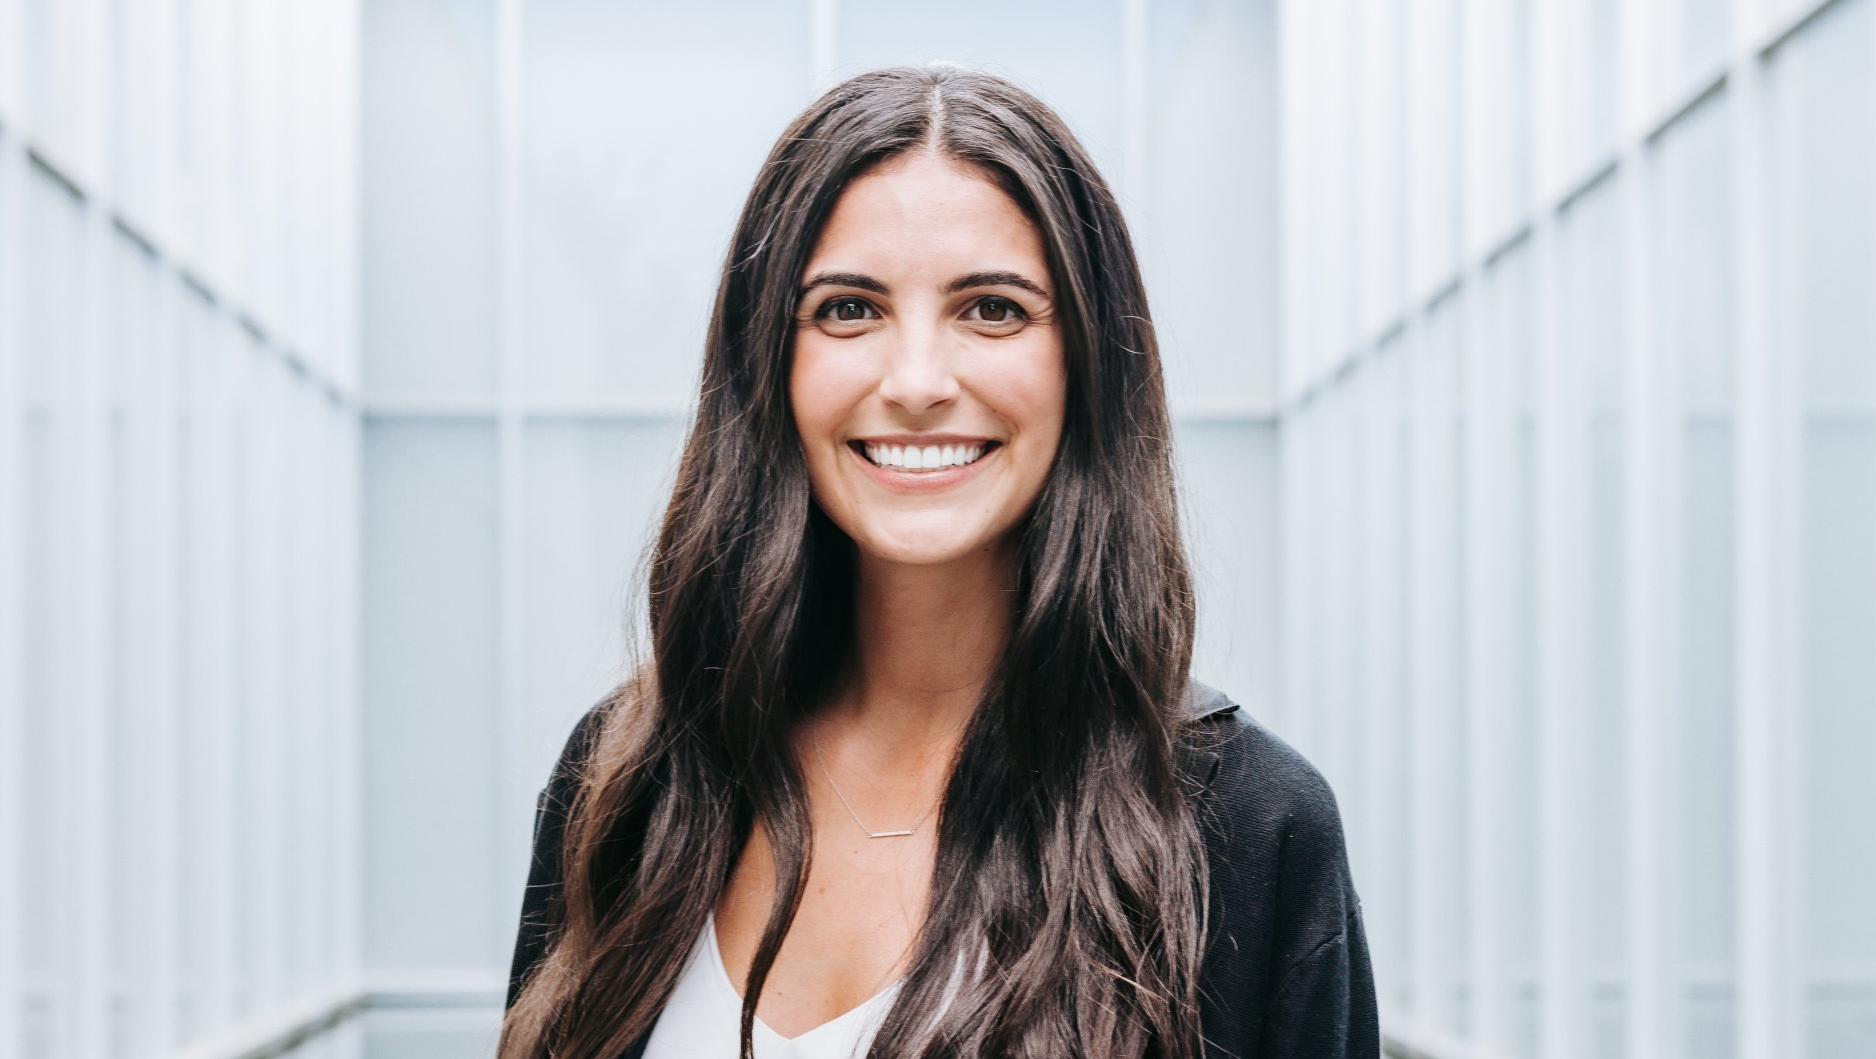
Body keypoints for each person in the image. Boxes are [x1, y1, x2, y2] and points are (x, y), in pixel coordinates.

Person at [500, 63, 1376, 1059]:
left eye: (992, 309)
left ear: (1085, 363)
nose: (916, 381)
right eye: (848, 309)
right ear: (768, 364)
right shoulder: (634, 778)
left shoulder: (1248, 826)